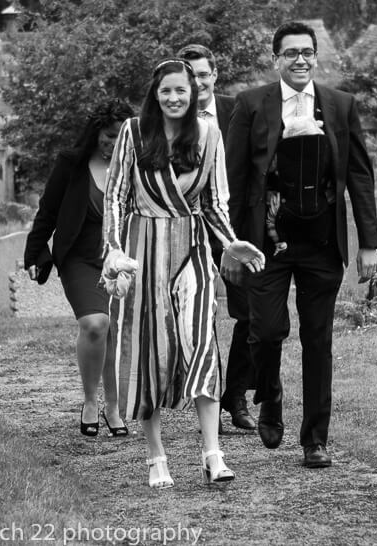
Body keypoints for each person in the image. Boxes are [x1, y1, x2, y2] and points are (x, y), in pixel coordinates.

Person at [102, 59, 264, 489]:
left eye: (182, 91)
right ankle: (156, 456)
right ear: (155, 93)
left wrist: (230, 242)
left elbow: (214, 204)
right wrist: (115, 250)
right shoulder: (133, 133)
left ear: (194, 95)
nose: (174, 98)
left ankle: (213, 454)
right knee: (149, 351)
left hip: (192, 250)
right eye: (167, 90)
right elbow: (116, 197)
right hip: (142, 250)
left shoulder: (210, 135)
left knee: (202, 343)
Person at [223, 20, 377, 468]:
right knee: (267, 331)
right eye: (291, 53)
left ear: (316, 56)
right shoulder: (251, 105)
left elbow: (359, 176)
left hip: (321, 241)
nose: (300, 60)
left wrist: (369, 244)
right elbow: (234, 180)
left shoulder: (340, 105)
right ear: (277, 59)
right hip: (264, 243)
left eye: (307, 52)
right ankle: (269, 396)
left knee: (318, 338)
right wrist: (231, 243)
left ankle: (315, 439)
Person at [24, 99, 135, 438]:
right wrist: (34, 253)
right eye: (107, 136)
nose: (113, 143)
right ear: (95, 133)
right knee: (95, 324)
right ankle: (90, 400)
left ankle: (113, 407)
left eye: (120, 136)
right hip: (80, 259)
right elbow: (48, 212)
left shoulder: (138, 166)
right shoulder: (71, 164)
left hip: (125, 259)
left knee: (116, 332)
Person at [177, 43, 257, 432]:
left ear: (215, 76)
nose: (197, 82)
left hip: (234, 231)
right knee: (200, 318)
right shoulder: (168, 119)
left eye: (203, 74)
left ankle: (236, 395)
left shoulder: (237, 110)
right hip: (189, 233)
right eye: (188, 76)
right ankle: (209, 394)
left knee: (250, 314)